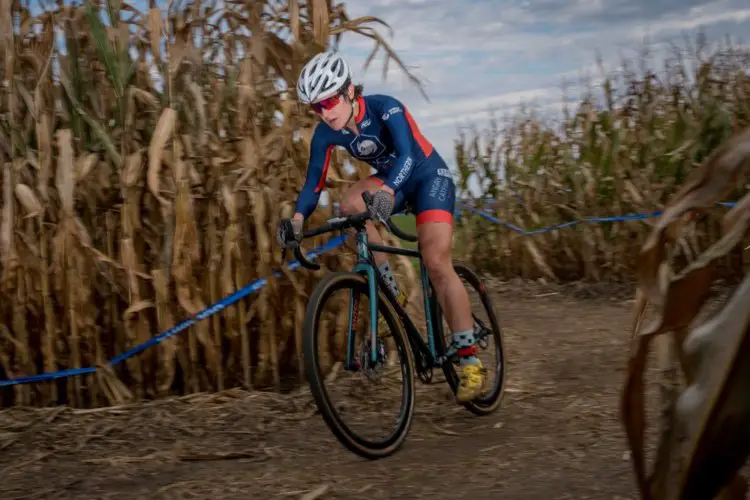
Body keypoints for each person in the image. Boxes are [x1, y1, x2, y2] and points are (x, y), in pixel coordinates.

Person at [277, 51, 486, 403]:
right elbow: (313, 184)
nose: (325, 113)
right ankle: (391, 290)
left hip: (428, 177)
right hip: (392, 184)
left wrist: (388, 192)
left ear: (348, 91)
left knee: (435, 262)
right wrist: (297, 221)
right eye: (316, 107)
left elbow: (406, 155)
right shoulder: (327, 134)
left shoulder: (385, 107)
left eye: (329, 101)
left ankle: (470, 360)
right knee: (347, 208)